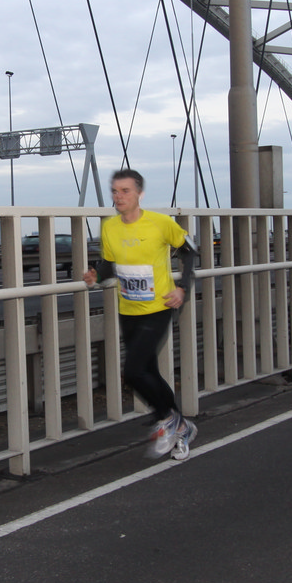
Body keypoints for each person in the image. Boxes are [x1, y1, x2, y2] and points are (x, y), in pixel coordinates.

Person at [82, 169, 199, 459]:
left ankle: (169, 420)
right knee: (148, 372)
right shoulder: (110, 227)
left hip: (159, 307)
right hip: (128, 308)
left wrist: (182, 288)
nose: (118, 196)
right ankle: (180, 427)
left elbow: (189, 251)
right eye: (115, 191)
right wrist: (96, 275)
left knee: (133, 372)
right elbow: (110, 263)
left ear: (139, 194)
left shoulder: (160, 223)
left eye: (125, 191)